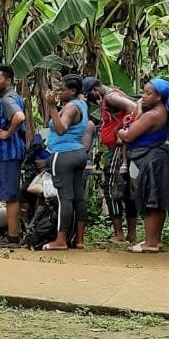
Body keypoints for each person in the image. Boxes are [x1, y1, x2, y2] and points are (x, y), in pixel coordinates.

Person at [116, 78, 169, 253]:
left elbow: (127, 136)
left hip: (148, 158)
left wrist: (121, 131)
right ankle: (154, 239)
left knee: (148, 198)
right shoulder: (162, 111)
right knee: (155, 198)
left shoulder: (152, 115)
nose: (143, 96)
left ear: (159, 97)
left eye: (148, 93)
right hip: (156, 156)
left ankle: (150, 243)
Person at [84, 79, 139, 243]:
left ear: (94, 90)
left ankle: (119, 234)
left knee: (110, 188)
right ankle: (130, 234)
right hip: (119, 147)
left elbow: (133, 108)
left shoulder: (110, 97)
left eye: (90, 95)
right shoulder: (112, 95)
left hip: (118, 147)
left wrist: (118, 129)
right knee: (128, 191)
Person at [42, 75, 89, 250]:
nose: (59, 93)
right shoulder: (82, 104)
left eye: (63, 90)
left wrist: (52, 107)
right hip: (78, 152)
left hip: (63, 154)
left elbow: (61, 129)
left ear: (73, 91)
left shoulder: (69, 107)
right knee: (78, 198)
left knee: (65, 198)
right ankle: (79, 240)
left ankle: (60, 240)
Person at [0, 65, 27, 247]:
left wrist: (7, 134)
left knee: (10, 195)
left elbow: (19, 117)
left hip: (8, 153)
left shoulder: (7, 100)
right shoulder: (11, 97)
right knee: (11, 194)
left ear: (8, 80)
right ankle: (14, 233)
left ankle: (13, 237)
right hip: (10, 153)